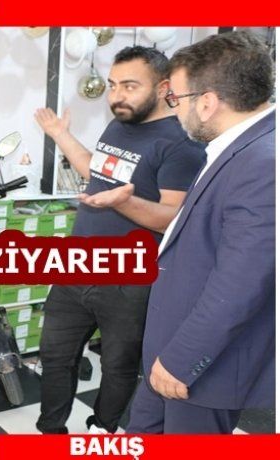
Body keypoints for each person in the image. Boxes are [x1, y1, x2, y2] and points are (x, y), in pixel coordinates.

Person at [34, 46, 206, 434]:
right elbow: (96, 172)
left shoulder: (181, 144)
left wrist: (123, 202)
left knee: (118, 365)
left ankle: (103, 429)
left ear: (163, 88)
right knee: (55, 355)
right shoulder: (118, 126)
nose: (116, 96)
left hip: (129, 281)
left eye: (129, 86)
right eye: (112, 85)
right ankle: (51, 432)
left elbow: (173, 217)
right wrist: (61, 135)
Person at [127, 31, 275, 434]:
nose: (173, 109)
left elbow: (242, 284)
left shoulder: (264, 163)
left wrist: (182, 360)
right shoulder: (239, 145)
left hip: (200, 369)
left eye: (175, 98)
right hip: (171, 346)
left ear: (207, 103)